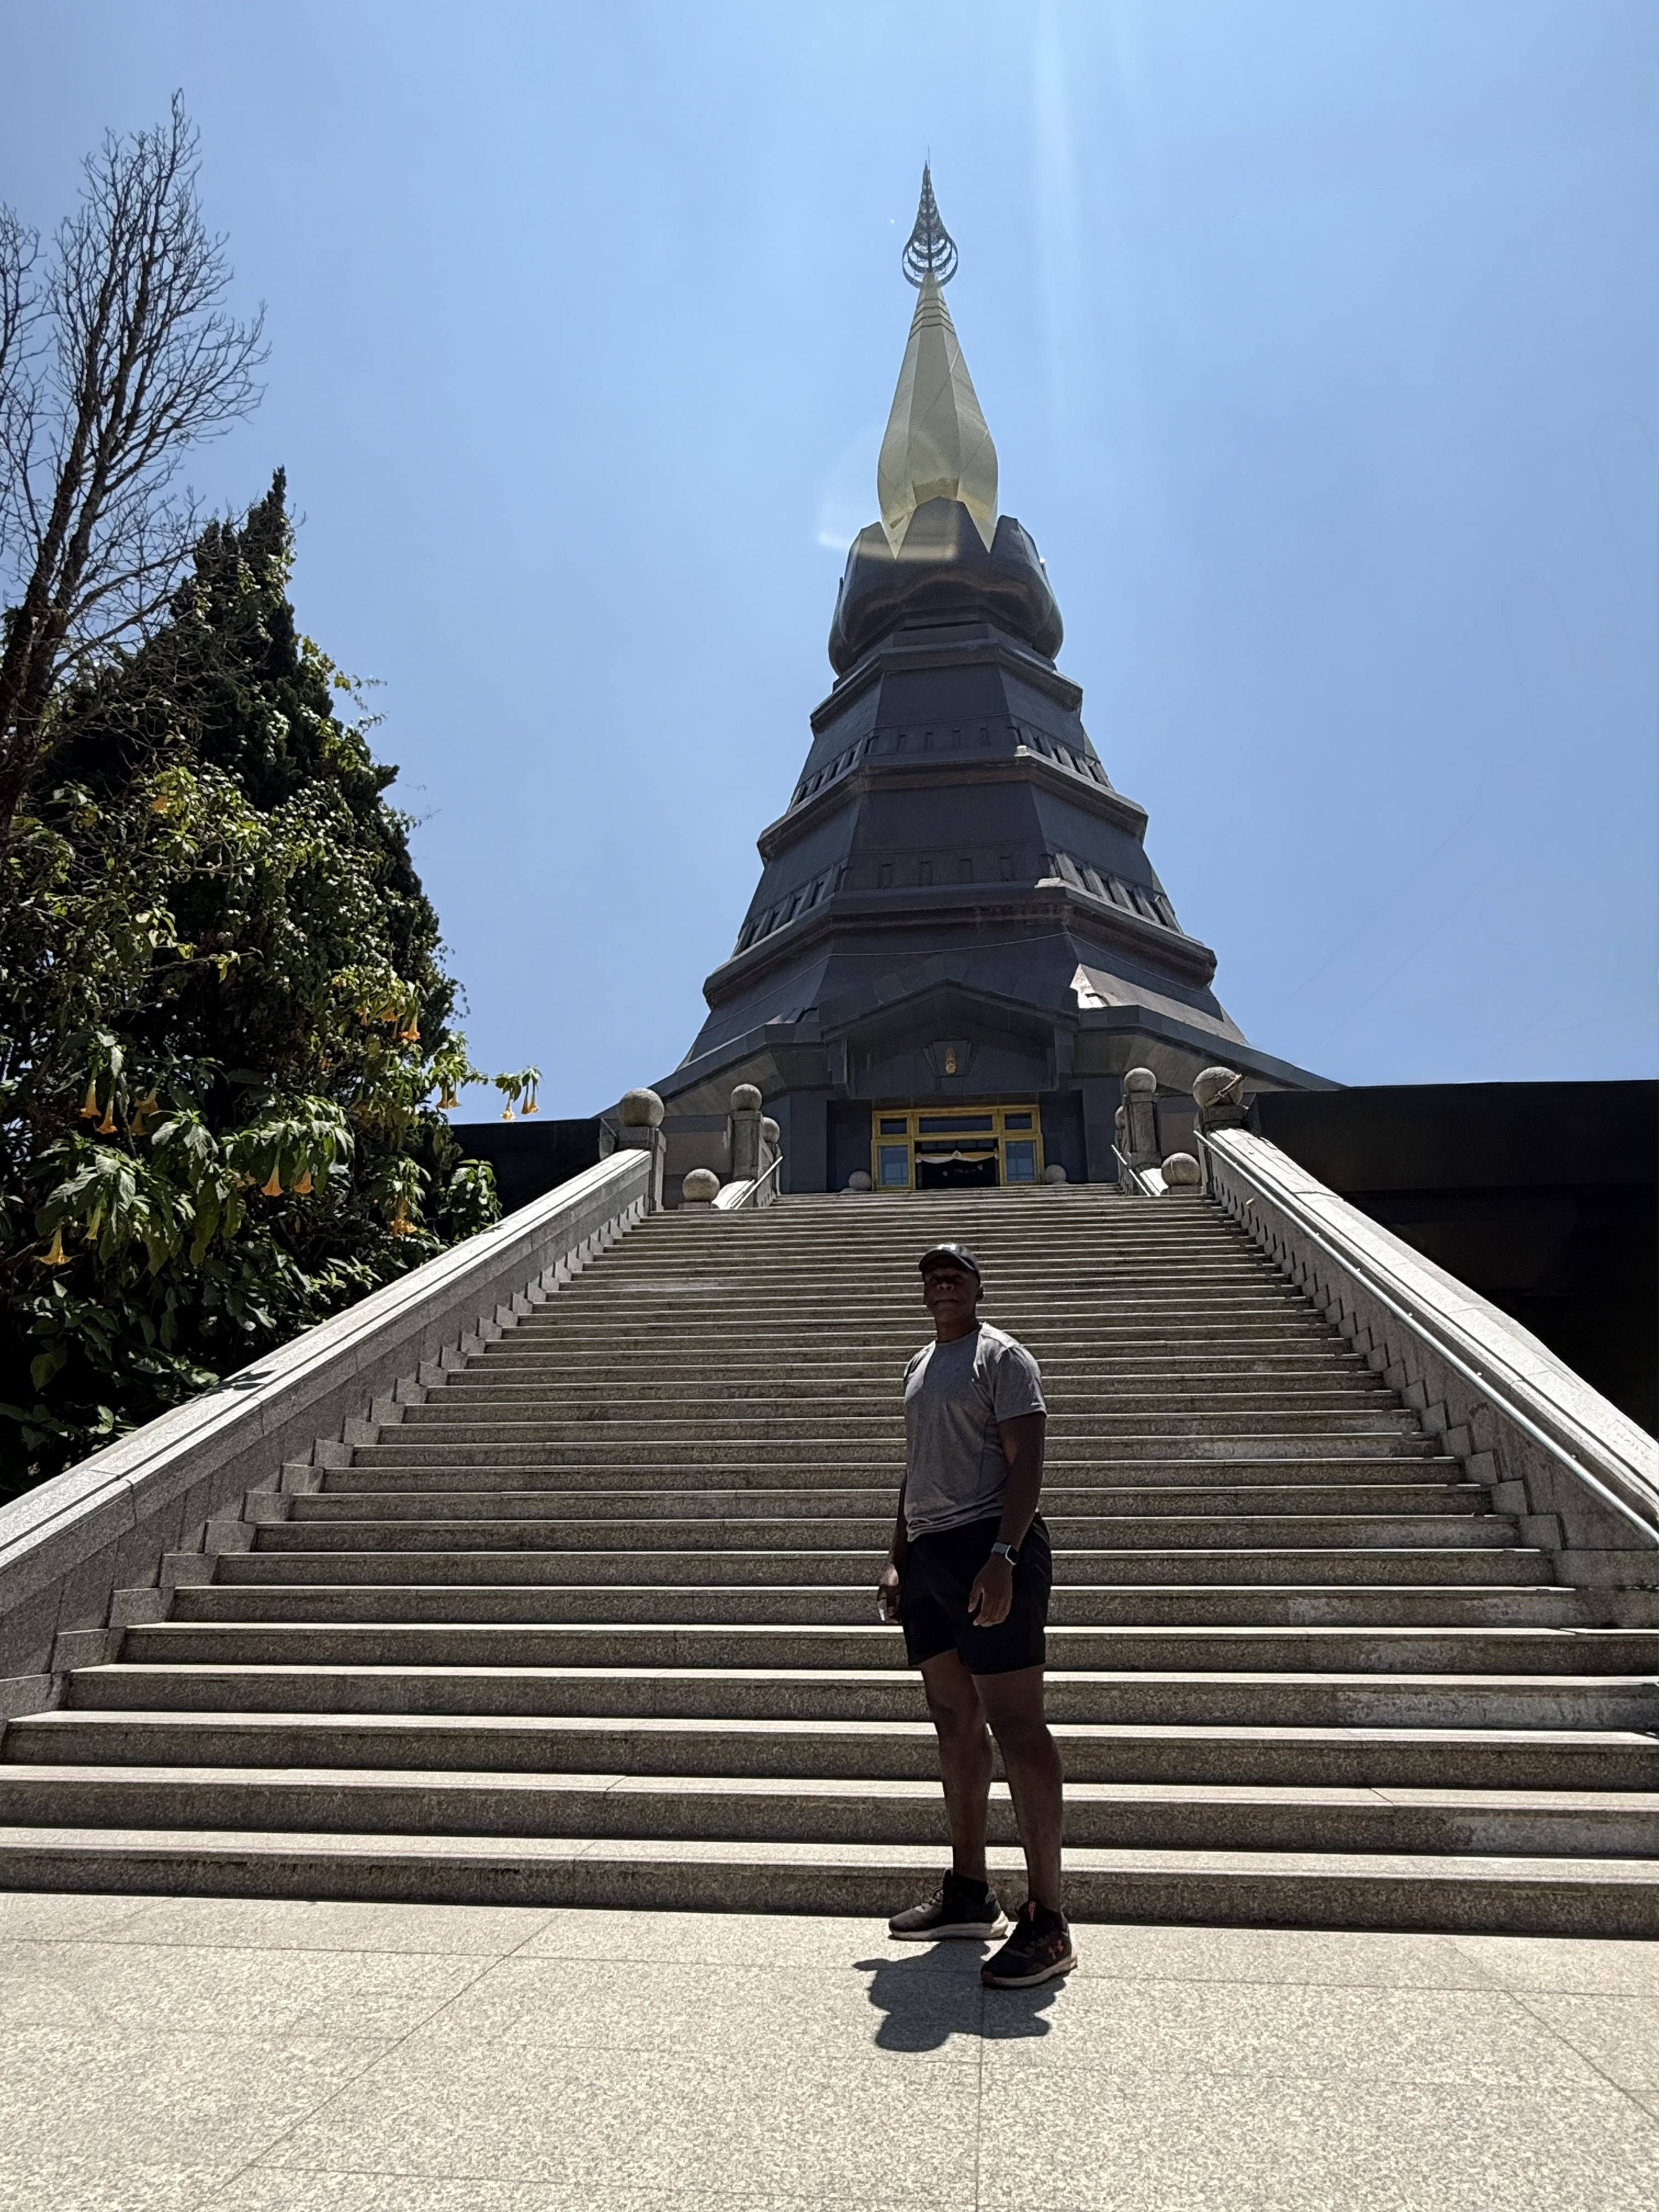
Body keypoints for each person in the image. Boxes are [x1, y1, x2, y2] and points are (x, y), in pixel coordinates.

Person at [878, 1242, 1076, 1989]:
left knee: (1017, 1721)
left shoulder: (1004, 1358)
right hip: (929, 1554)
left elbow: (1027, 1460)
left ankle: (1048, 1920)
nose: (943, 1284)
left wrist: (1004, 1554)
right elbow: (915, 1465)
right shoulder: (920, 1365)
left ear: (978, 1287)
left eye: (955, 1274)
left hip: (989, 1543)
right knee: (952, 1719)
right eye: (931, 1276)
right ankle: (969, 1891)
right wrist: (898, 1556)